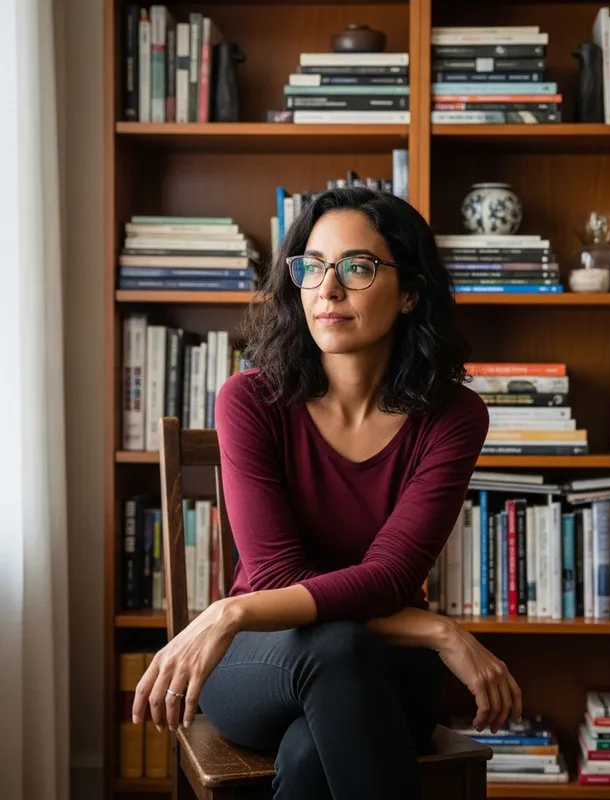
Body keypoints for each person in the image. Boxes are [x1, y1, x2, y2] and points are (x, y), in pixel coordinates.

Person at [131, 186, 523, 800]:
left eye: (357, 268)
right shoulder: (251, 400)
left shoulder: (453, 416)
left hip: (381, 670)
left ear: (412, 291)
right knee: (335, 651)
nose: (327, 290)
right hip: (261, 661)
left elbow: (391, 574)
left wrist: (228, 610)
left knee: (314, 752)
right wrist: (436, 631)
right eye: (312, 268)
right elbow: (274, 575)